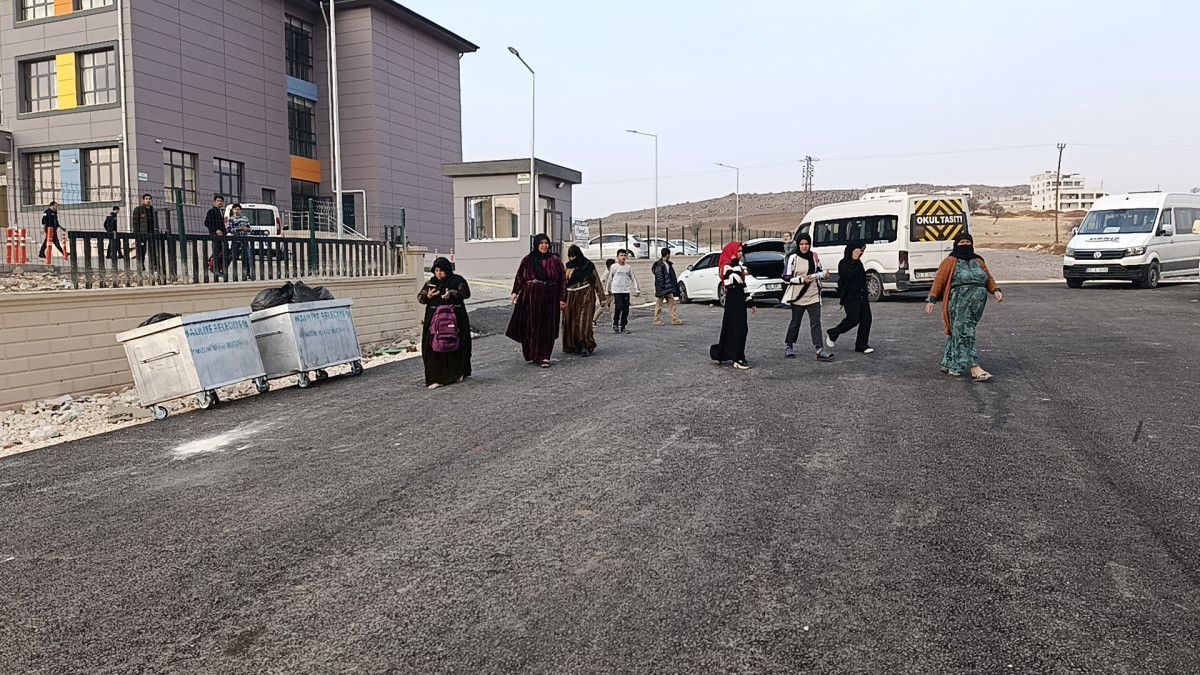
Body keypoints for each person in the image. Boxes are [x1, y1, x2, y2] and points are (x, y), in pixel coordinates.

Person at [925, 233, 1004, 381]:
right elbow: (939, 281)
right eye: (962, 242)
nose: (965, 244)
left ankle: (949, 363)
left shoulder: (978, 260)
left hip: (977, 303)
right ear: (956, 244)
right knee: (965, 332)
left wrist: (996, 290)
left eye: (968, 241)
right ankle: (974, 367)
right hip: (959, 303)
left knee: (960, 330)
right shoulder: (950, 261)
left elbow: (988, 278)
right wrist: (932, 299)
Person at [506, 234, 567, 368]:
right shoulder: (528, 260)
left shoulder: (555, 260)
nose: (544, 246)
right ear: (536, 244)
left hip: (550, 297)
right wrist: (515, 292)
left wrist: (562, 299)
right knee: (531, 325)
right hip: (531, 298)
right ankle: (533, 353)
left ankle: (545, 356)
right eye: (541, 243)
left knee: (548, 326)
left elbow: (562, 280)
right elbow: (519, 277)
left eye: (546, 243)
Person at [418, 256, 472, 388]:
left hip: (455, 318)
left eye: (441, 271)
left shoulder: (457, 280)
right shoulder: (431, 283)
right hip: (434, 320)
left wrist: (451, 294)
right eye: (436, 270)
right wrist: (428, 296)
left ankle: (457, 373)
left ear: (447, 270)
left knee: (455, 344)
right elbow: (420, 298)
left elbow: (466, 293)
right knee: (433, 346)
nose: (439, 274)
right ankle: (436, 378)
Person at [782, 234, 833, 360]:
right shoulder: (793, 257)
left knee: (816, 323)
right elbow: (786, 277)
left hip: (813, 294)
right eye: (801, 244)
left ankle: (819, 349)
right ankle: (789, 345)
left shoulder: (814, 256)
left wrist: (824, 275)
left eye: (806, 244)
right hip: (798, 296)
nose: (804, 247)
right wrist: (801, 280)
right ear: (798, 245)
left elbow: (819, 270)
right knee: (795, 322)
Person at [709, 241, 756, 369]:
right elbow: (730, 282)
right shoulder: (726, 266)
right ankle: (737, 358)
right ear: (732, 252)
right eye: (738, 251)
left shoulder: (738, 266)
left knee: (742, 328)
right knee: (735, 328)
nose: (741, 253)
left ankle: (729, 354)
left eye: (741, 251)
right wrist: (735, 266)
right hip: (732, 300)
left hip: (740, 299)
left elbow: (743, 285)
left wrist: (750, 302)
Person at [826, 240, 874, 354]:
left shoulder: (859, 263)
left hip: (862, 296)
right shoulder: (843, 263)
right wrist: (854, 260)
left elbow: (860, 278)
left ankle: (861, 345)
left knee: (866, 319)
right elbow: (847, 274)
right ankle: (833, 333)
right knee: (853, 319)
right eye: (860, 250)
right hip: (850, 296)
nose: (861, 253)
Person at [562, 245, 604, 356]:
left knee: (584, 321)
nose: (572, 259)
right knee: (571, 321)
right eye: (570, 256)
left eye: (574, 256)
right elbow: (563, 283)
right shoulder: (568, 266)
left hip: (586, 294)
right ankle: (574, 345)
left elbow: (597, 281)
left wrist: (602, 298)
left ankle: (586, 345)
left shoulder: (588, 265)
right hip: (571, 296)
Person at [604, 248, 641, 333]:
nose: (623, 257)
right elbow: (609, 279)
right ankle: (615, 323)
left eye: (624, 255)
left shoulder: (628, 267)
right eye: (621, 255)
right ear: (617, 257)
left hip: (626, 290)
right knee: (619, 306)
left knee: (626, 309)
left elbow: (633, 278)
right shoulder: (614, 267)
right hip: (617, 290)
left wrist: (636, 289)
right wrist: (607, 290)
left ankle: (623, 326)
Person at [651, 247, 684, 326]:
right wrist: (663, 286)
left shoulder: (668, 264)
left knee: (672, 303)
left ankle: (674, 319)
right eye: (669, 254)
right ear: (667, 254)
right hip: (662, 288)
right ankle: (657, 320)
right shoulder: (659, 264)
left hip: (668, 288)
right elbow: (659, 277)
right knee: (659, 304)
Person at [130, 193, 158, 273]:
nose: (148, 200)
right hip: (141, 234)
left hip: (151, 233)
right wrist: (136, 234)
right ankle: (141, 266)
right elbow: (135, 223)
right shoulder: (138, 209)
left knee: (153, 250)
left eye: (149, 199)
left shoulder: (153, 210)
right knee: (141, 250)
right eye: (146, 199)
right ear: (143, 200)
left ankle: (154, 266)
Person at [225, 203, 254, 278]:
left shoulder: (245, 218)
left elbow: (250, 229)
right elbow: (229, 230)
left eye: (238, 209)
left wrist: (247, 229)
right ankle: (231, 272)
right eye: (235, 209)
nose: (236, 211)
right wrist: (239, 229)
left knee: (246, 257)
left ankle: (247, 273)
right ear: (232, 210)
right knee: (233, 257)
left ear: (240, 210)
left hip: (244, 240)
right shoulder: (230, 219)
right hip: (235, 240)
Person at [204, 194, 226, 274]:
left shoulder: (220, 212)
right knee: (217, 251)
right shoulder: (211, 211)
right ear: (214, 202)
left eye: (221, 201)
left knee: (222, 251)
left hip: (222, 236)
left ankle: (213, 264)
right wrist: (216, 230)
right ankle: (213, 266)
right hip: (215, 235)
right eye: (218, 201)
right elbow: (207, 222)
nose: (219, 202)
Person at [594, 258, 616, 325]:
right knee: (602, 307)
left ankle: (614, 322)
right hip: (607, 294)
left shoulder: (611, 273)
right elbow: (602, 284)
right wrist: (606, 291)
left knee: (613, 308)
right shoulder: (606, 274)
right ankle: (593, 320)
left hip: (612, 293)